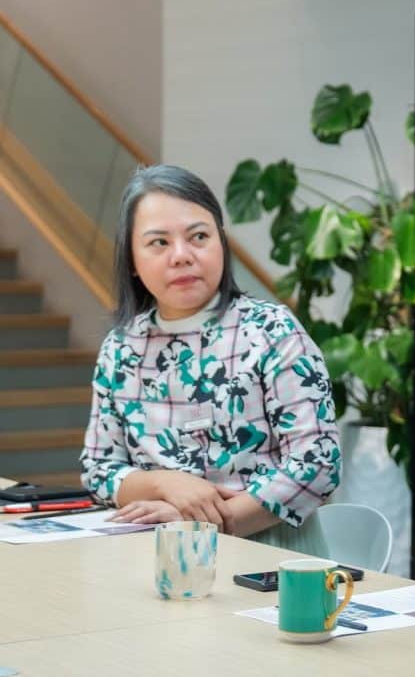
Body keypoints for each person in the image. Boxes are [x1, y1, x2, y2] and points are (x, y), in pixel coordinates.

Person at [80, 164, 341, 555]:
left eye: (199, 237)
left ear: (221, 242)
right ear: (132, 259)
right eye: (159, 242)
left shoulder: (271, 331)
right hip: (151, 556)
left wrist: (200, 522)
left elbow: (317, 464)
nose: (181, 256)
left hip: (269, 554)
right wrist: (167, 483)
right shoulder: (121, 348)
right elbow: (99, 469)